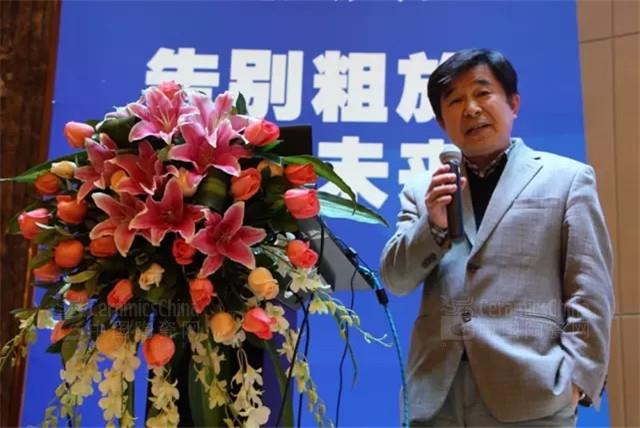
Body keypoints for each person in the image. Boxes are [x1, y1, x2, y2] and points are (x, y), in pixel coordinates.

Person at [380, 49, 613, 427]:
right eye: (455, 101)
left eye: (482, 93)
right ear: (442, 121)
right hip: (436, 399)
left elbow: (590, 291)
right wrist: (432, 226)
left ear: (513, 103)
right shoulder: (423, 191)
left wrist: (577, 381)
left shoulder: (568, 179)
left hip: (533, 393)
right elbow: (396, 279)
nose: (471, 108)